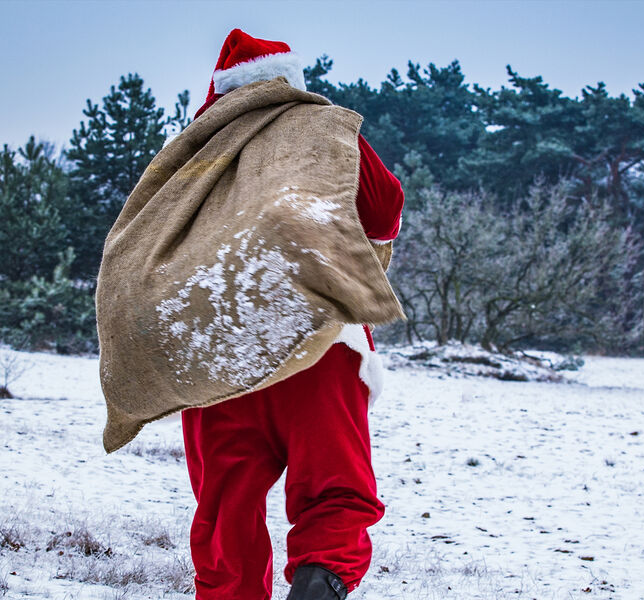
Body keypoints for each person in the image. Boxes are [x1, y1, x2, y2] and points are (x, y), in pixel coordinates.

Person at [179, 29, 404, 600]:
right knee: (334, 491)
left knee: (225, 512)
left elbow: (150, 251)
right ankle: (318, 583)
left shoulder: (192, 154)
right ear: (289, 82)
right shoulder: (321, 129)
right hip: (320, 346)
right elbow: (382, 215)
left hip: (223, 359)